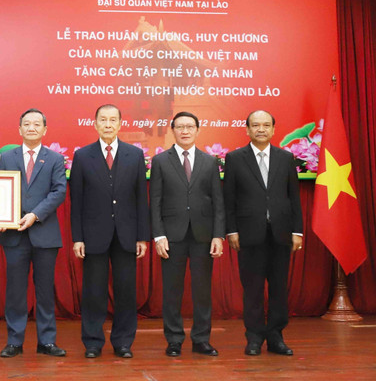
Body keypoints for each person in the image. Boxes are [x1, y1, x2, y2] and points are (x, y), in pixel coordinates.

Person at [70, 104, 149, 359]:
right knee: (94, 291)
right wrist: (78, 238)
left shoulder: (134, 155)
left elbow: (140, 199)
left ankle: (123, 342)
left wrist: (142, 236)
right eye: (102, 120)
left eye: (112, 120)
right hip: (94, 235)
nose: (107, 124)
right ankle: (93, 342)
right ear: (94, 124)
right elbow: (77, 202)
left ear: (120, 124)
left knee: (126, 291)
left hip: (126, 234)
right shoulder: (82, 156)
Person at [223, 110, 303, 356]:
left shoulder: (286, 158)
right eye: (255, 125)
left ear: (273, 130)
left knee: (279, 288)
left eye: (266, 125)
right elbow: (229, 199)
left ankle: (276, 337)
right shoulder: (235, 158)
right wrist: (232, 230)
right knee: (253, 289)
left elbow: (293, 198)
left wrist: (297, 231)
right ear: (247, 130)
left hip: (281, 234)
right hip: (249, 234)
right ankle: (254, 337)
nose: (261, 129)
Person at [149, 111, 225, 357]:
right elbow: (155, 202)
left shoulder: (209, 161)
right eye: (180, 127)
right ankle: (174, 340)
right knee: (172, 291)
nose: (185, 131)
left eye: (189, 126)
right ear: (172, 130)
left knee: (202, 291)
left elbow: (218, 201)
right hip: (172, 236)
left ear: (197, 130)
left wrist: (218, 235)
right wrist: (159, 235)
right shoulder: (160, 161)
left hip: (203, 235)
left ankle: (201, 339)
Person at [0, 108, 67, 358]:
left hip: (44, 233)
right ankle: (14, 341)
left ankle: (46, 341)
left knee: (45, 290)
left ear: (45, 130)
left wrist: (34, 215)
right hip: (14, 235)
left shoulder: (56, 159)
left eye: (37, 124)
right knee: (15, 290)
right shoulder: (6, 158)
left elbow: (58, 192)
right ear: (19, 129)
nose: (32, 128)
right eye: (27, 124)